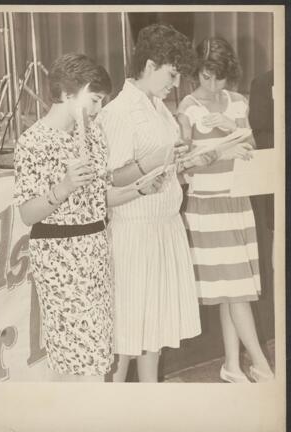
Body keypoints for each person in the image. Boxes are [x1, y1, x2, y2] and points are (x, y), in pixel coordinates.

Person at [14, 53, 164, 382]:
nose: (97, 110)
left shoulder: (92, 135)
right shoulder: (33, 142)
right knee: (77, 357)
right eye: (94, 100)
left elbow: (98, 199)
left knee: (96, 353)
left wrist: (141, 190)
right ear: (70, 93)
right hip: (60, 257)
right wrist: (64, 187)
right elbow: (27, 213)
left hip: (95, 250)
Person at [98, 24, 201, 382]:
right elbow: (111, 178)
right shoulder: (120, 111)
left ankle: (149, 403)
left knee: (153, 332)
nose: (175, 83)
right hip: (134, 233)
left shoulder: (158, 107)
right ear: (151, 65)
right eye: (172, 74)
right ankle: (109, 415)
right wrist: (156, 158)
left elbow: (164, 165)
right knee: (126, 334)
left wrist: (187, 161)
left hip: (163, 229)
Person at [177, 37, 274, 382]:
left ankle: (232, 366)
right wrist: (220, 153)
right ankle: (262, 365)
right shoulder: (187, 108)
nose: (213, 85)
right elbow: (183, 167)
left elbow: (251, 146)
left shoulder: (237, 102)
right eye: (206, 76)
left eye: (219, 77)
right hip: (208, 205)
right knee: (234, 290)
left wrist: (234, 130)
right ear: (195, 73)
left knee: (233, 290)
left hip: (238, 201)